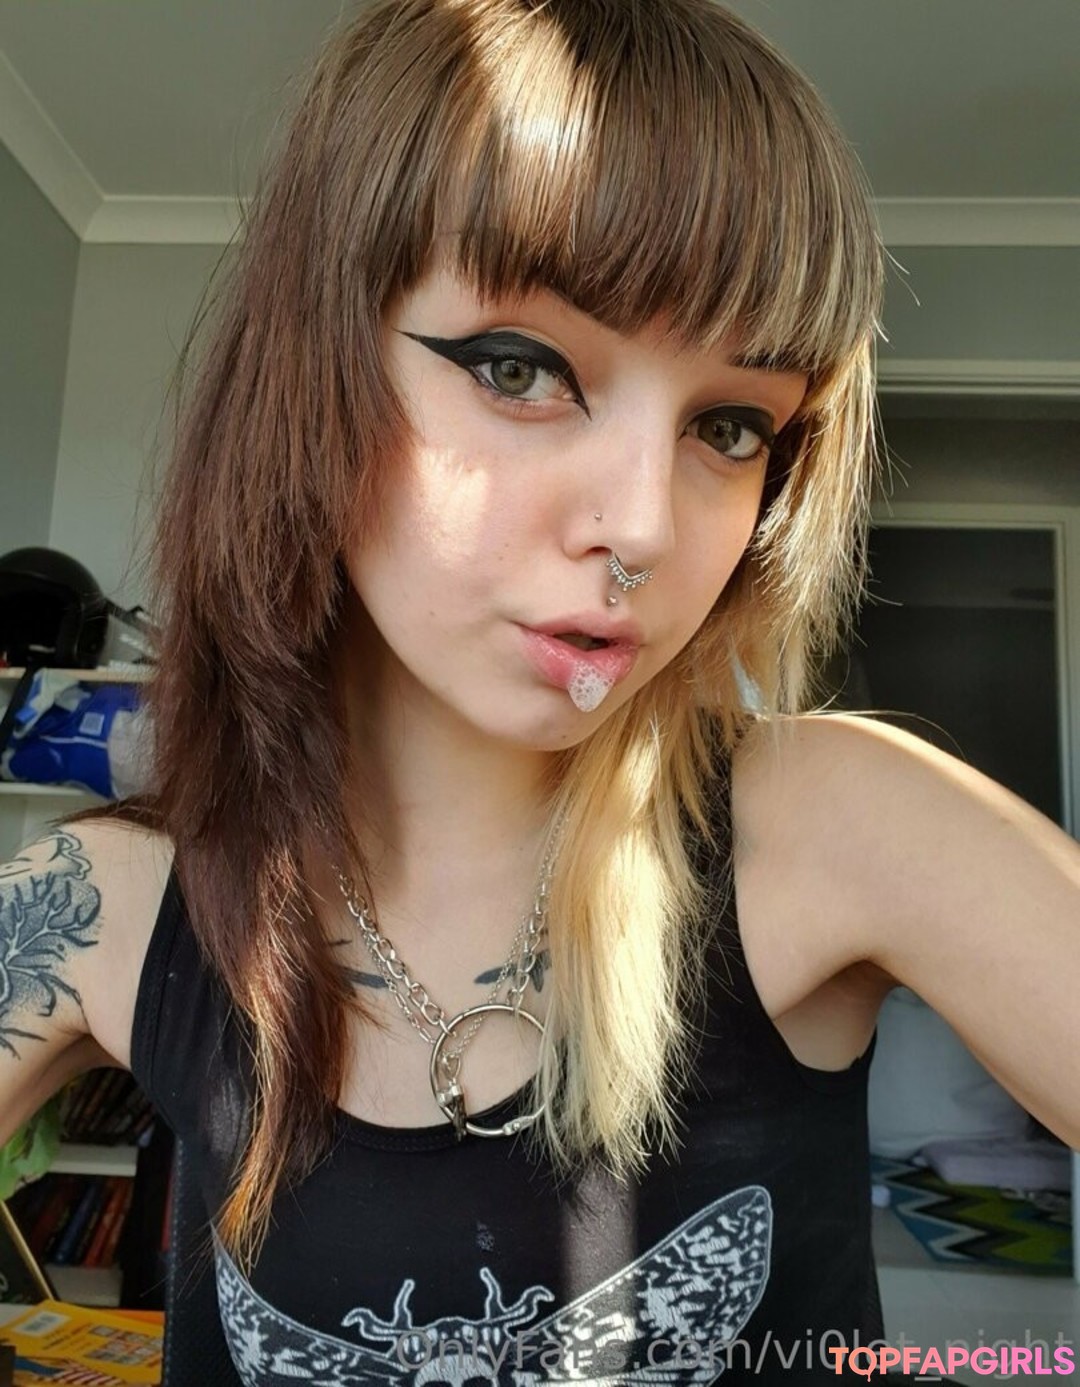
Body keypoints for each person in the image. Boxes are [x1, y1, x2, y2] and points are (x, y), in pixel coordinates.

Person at [1, 1, 1077, 1382]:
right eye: (522, 369)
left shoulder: (835, 821)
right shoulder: (101, 906)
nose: (644, 527)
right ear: (310, 370)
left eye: (731, 426)